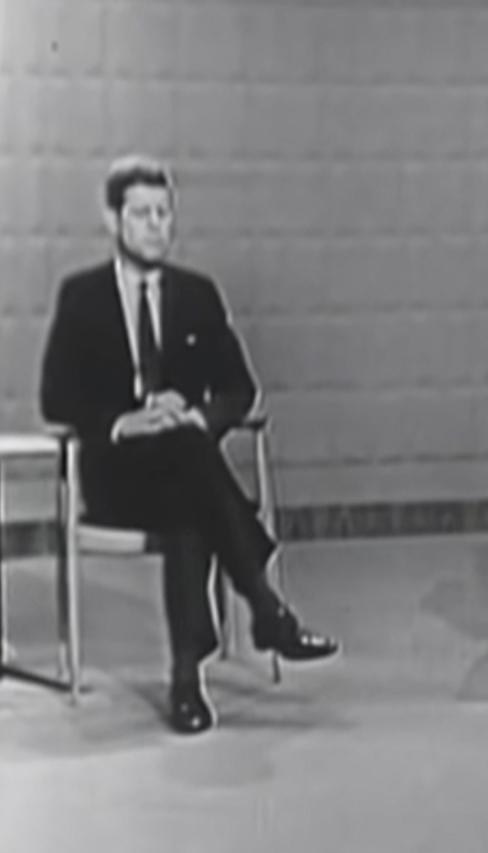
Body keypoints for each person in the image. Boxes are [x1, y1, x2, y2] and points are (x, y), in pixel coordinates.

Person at [39, 155, 339, 734]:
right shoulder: (82, 297)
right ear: (113, 221)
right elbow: (58, 398)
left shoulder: (198, 294)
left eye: (164, 213)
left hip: (182, 474)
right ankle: (264, 607)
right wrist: (128, 421)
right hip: (117, 479)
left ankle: (188, 682)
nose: (156, 225)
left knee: (187, 481)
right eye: (141, 214)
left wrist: (197, 416)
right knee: (192, 477)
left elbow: (238, 388)